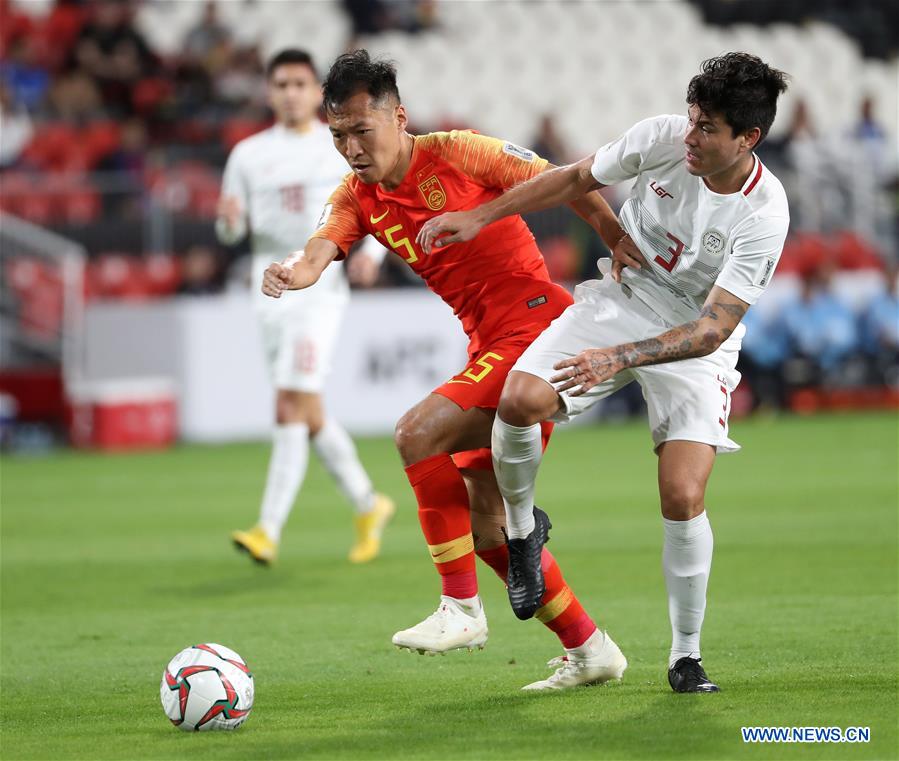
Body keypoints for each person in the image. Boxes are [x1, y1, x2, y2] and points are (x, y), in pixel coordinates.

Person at [262, 50, 635, 690]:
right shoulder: (357, 194)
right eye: (338, 135)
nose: (350, 147)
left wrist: (616, 238)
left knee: (415, 433)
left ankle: (460, 608)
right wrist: (299, 271)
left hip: (537, 325)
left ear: (398, 117)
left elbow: (569, 178)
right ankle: (591, 649)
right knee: (489, 530)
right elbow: (324, 242)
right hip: (488, 342)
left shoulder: (459, 152)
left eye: (361, 130)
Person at [418, 52, 791, 693]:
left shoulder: (765, 213)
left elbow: (713, 329)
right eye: (693, 119)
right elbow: (572, 179)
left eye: (708, 129)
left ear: (748, 139)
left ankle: (685, 657)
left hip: (694, 342)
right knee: (518, 399)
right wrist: (481, 216)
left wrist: (617, 360)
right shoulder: (661, 138)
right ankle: (522, 525)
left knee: (682, 495)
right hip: (623, 302)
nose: (691, 137)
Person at [216, 49, 394, 566]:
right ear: (269, 92)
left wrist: (375, 253)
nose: (290, 93)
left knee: (290, 404)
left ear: (315, 91)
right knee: (306, 408)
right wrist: (227, 221)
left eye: (299, 84)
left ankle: (268, 529)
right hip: (265, 282)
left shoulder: (336, 143)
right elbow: (231, 229)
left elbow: (382, 196)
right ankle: (368, 502)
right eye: (281, 84)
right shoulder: (246, 154)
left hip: (319, 279)